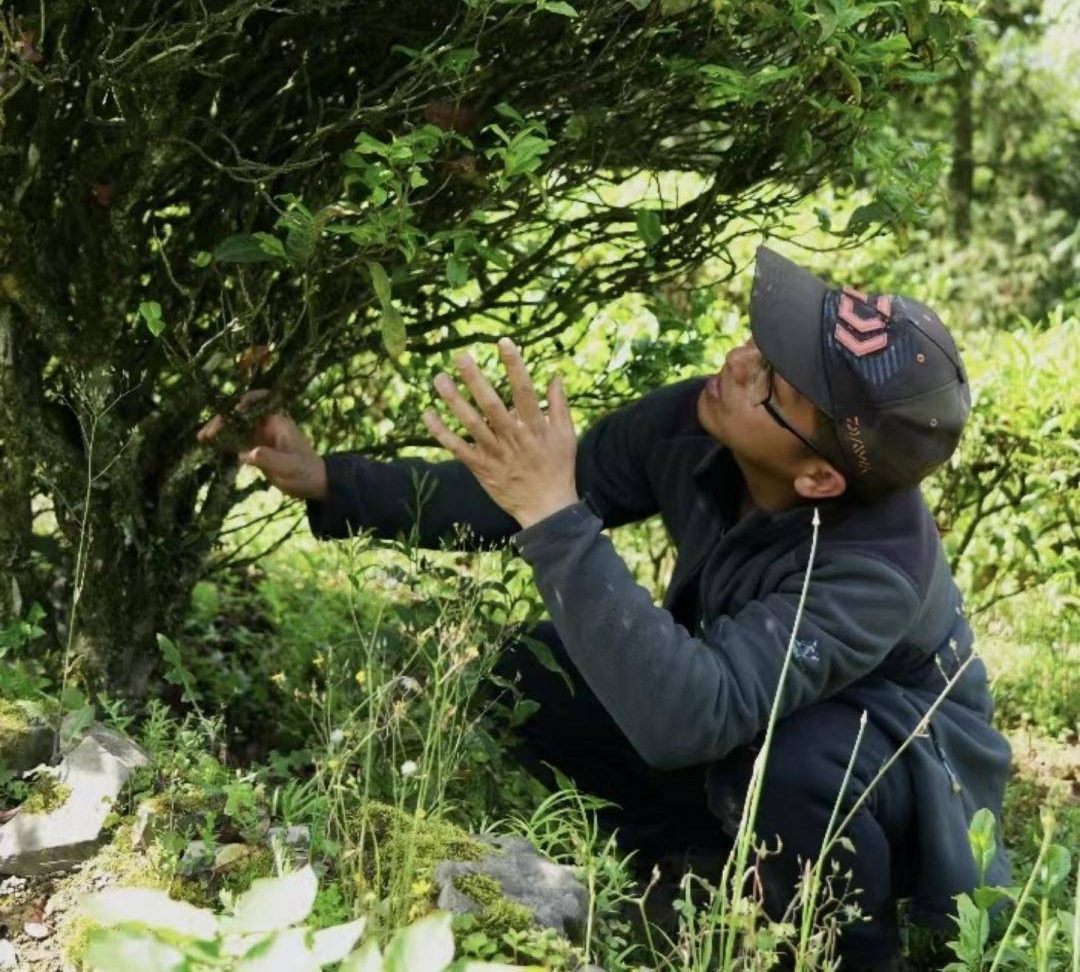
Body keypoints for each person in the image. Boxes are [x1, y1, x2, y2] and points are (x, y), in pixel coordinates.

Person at [197, 245, 1012, 971]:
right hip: (744, 725)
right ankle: (687, 868)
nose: (736, 362)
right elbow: (523, 490)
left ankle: (848, 950)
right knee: (536, 672)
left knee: (801, 761)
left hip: (888, 785)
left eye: (773, 380)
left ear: (821, 477)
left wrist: (557, 519)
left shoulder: (878, 566)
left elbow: (690, 714)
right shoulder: (706, 424)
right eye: (760, 346)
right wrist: (330, 480)